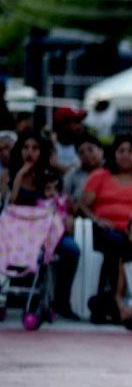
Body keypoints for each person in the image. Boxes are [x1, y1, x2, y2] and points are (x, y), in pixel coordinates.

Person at [79, 135, 132, 311]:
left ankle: (114, 301)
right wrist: (96, 219)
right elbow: (83, 205)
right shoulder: (100, 176)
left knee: (129, 242)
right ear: (114, 154)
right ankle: (112, 300)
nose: (125, 155)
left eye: (130, 151)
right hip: (106, 231)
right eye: (121, 151)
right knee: (116, 243)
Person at [6, 133, 80, 318]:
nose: (29, 152)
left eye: (35, 148)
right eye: (26, 148)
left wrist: (69, 213)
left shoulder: (50, 177)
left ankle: (61, 301)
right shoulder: (9, 174)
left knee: (72, 250)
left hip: (46, 231)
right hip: (17, 231)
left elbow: (61, 204)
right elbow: (12, 202)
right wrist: (21, 174)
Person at [63, 133, 104, 207]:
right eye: (81, 152)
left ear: (101, 151)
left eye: (90, 150)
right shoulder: (72, 175)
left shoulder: (112, 172)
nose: (86, 155)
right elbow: (64, 198)